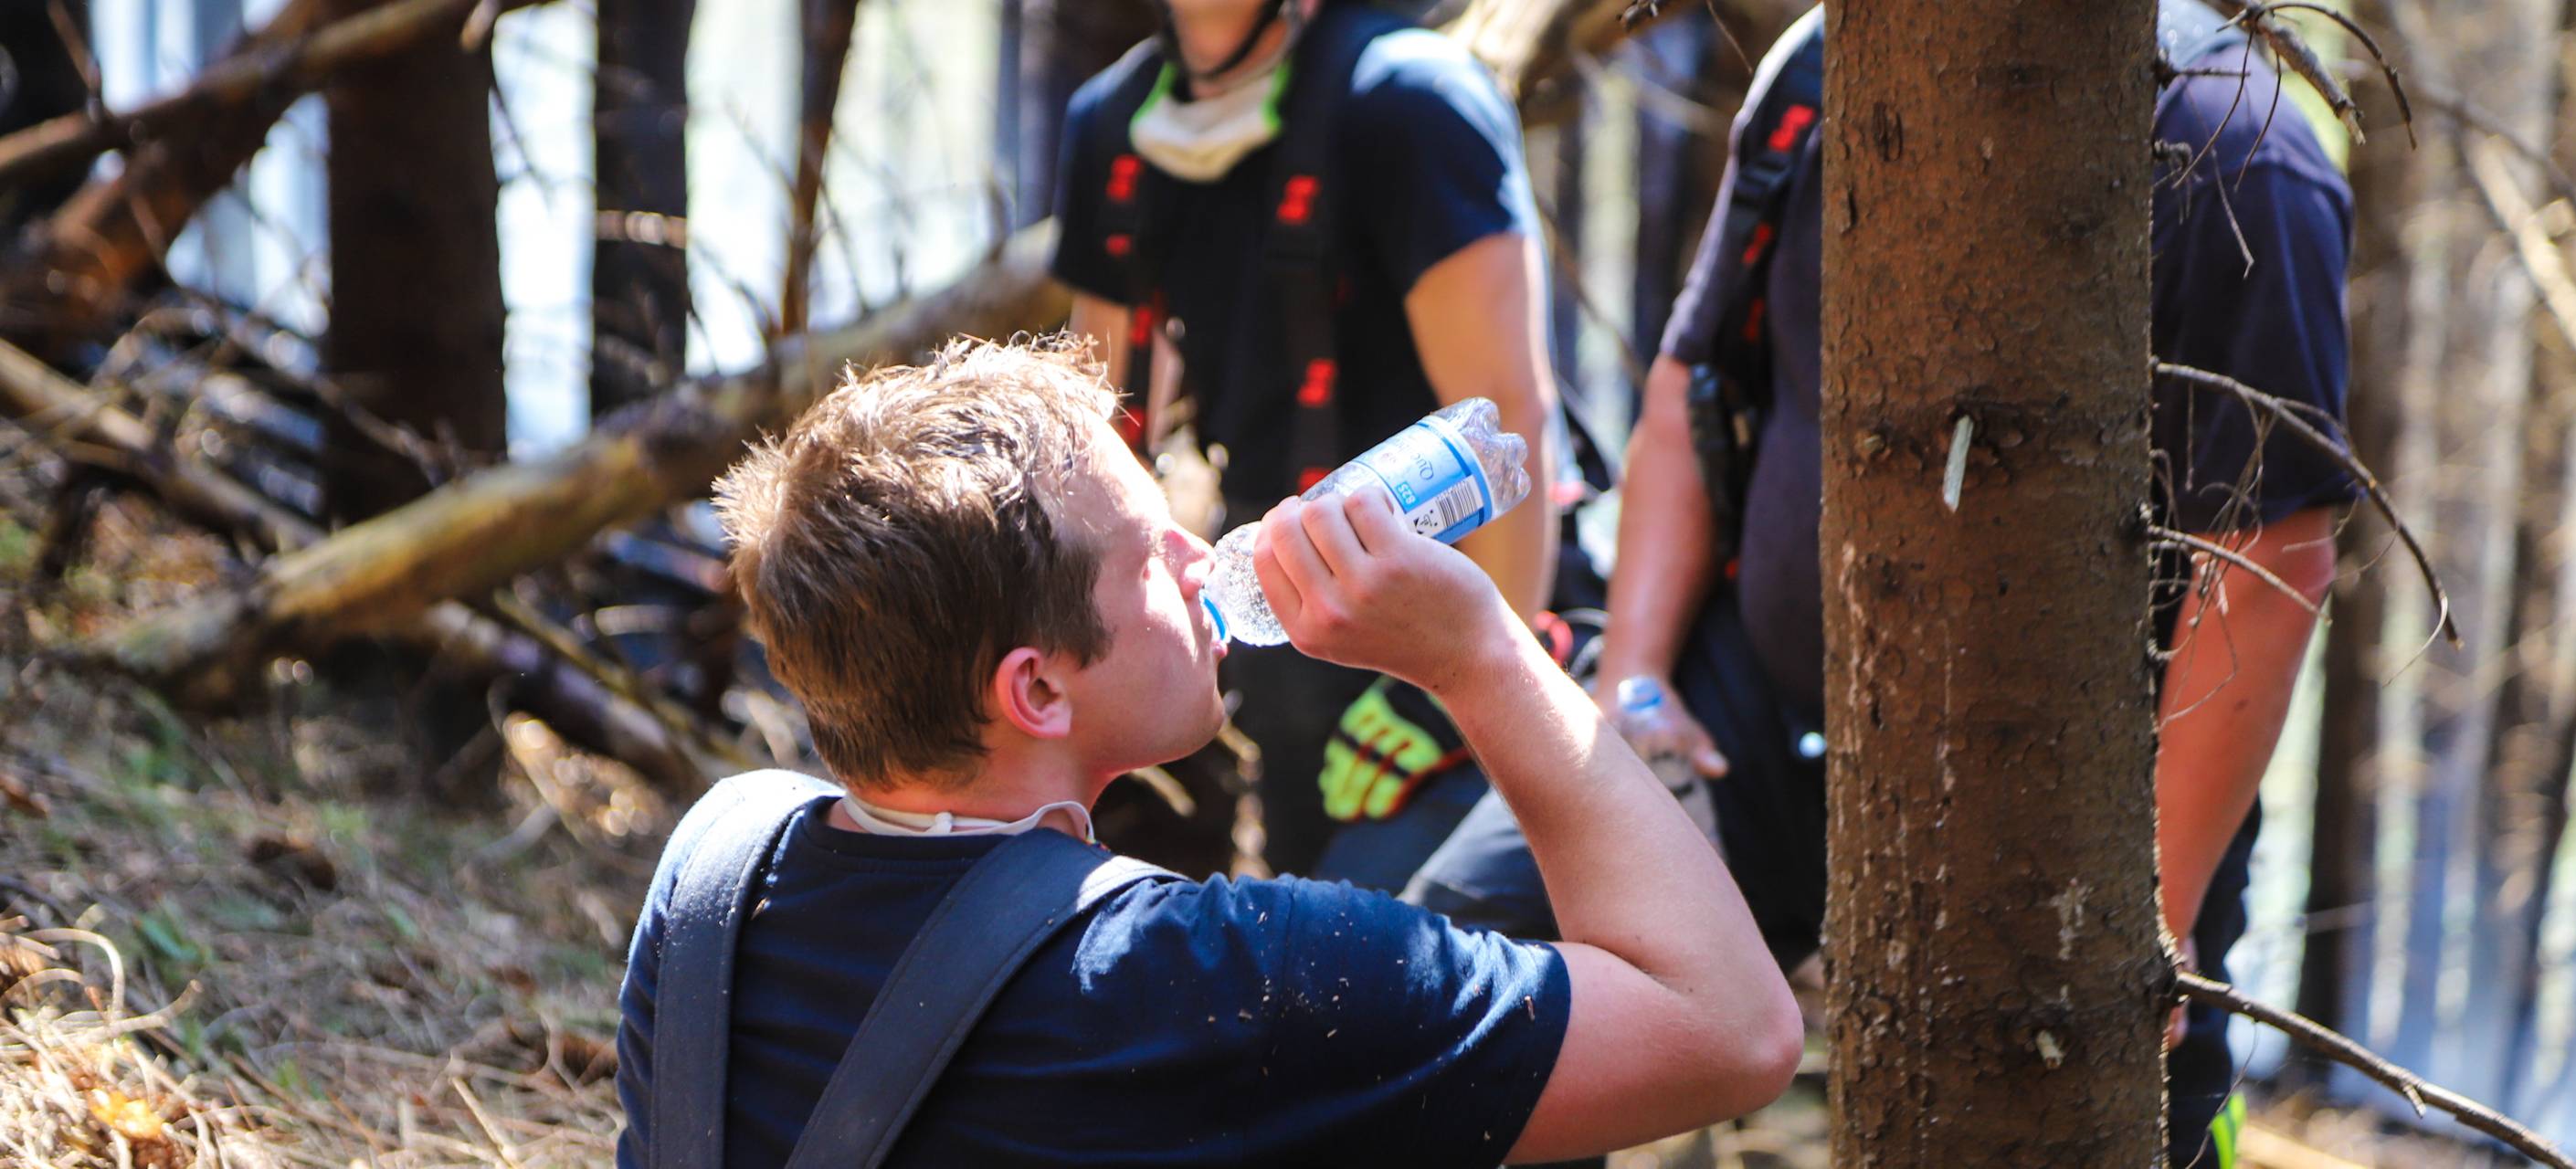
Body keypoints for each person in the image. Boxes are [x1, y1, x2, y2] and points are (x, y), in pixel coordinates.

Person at [1402, 6, 2356, 1167]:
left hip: (2079, 786)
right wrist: (1639, 674)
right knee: (1472, 953)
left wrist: (2146, 911)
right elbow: (1689, 379)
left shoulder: (2231, 143)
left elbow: (2268, 556)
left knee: (2089, 1118)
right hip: (1747, 703)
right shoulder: (1826, 61)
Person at [613, 337, 1800, 1167]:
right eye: (1150, 550)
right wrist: (1484, 650)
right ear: (1035, 688)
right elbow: (1733, 1029)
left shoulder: (712, 878)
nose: (1202, 556)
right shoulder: (1218, 981)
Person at [1052, 0, 1562, 880]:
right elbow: (1098, 427)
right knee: (1301, 958)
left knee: (1418, 929)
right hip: (1274, 606)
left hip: (1452, 599)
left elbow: (1510, 417)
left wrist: (1459, 698)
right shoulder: (1112, 121)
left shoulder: (1412, 101)